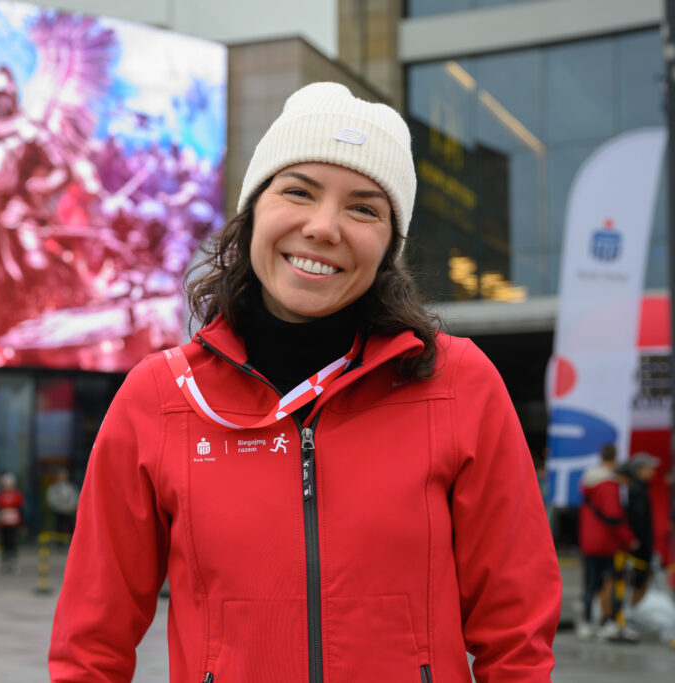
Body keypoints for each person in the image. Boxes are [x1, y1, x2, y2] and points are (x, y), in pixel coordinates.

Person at [49, 83, 561, 682]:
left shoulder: (458, 383)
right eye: (298, 191)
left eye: (364, 209)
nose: (323, 227)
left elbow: (517, 636)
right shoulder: (161, 396)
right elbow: (91, 645)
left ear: (389, 245)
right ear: (253, 211)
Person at [578, 443, 638, 641]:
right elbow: (613, 517)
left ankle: (586, 622)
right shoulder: (609, 485)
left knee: (589, 584)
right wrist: (629, 539)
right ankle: (608, 621)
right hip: (606, 543)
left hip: (589, 541)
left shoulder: (588, 481)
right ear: (615, 459)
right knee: (610, 582)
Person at [616, 453, 661, 603]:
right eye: (650, 468)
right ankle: (633, 609)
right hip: (639, 545)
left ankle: (633, 609)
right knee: (639, 579)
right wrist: (640, 542)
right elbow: (638, 520)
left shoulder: (638, 488)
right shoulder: (637, 490)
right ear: (640, 469)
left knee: (639, 579)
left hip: (639, 543)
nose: (653, 471)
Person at [0, 473, 24, 573]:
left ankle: (14, 561)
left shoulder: (17, 494)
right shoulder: (1, 495)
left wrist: (22, 522)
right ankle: (5, 562)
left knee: (13, 541)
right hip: (4, 522)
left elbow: (20, 508)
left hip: (14, 522)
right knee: (5, 542)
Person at [44, 468, 79, 535]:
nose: (63, 477)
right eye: (61, 475)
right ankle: (58, 538)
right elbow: (51, 500)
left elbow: (75, 498)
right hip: (57, 511)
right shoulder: (53, 487)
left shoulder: (71, 487)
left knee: (70, 525)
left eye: (64, 475)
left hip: (69, 511)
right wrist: (59, 503)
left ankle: (70, 536)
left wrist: (72, 506)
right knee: (58, 525)